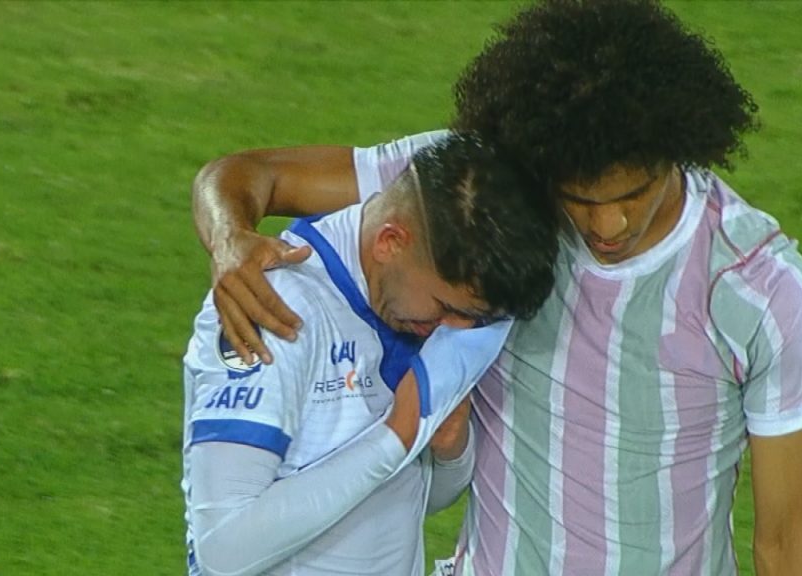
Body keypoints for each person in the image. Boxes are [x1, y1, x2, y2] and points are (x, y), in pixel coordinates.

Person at [191, 1, 802, 575]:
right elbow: (251, 175)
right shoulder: (486, 192)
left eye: (633, 194)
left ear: (680, 152)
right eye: (580, 199)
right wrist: (229, 239)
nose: (607, 225)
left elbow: (791, 541)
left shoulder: (762, 291)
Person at [182, 134, 558, 576]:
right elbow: (224, 548)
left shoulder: (413, 303)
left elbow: (405, 501)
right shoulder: (274, 306)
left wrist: (450, 451)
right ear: (390, 242)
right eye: (445, 306)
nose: (453, 329)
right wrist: (396, 435)